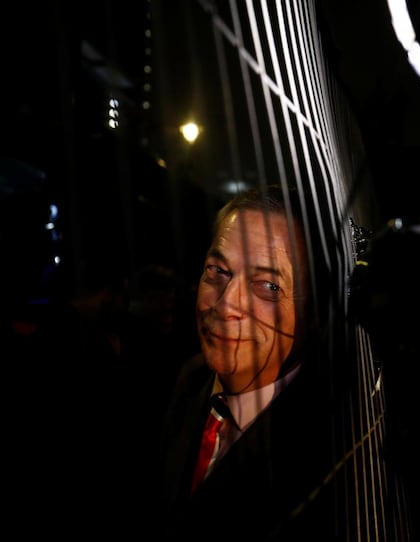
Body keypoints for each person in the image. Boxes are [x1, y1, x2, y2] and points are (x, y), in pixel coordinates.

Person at [154, 186, 338, 540]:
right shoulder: (188, 379)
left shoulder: (328, 444)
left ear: (313, 314)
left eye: (268, 286)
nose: (225, 306)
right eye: (217, 271)